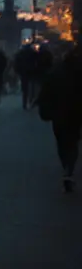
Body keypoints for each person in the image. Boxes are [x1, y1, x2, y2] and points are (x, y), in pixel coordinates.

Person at [37, 45, 82, 193]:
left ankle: (66, 166)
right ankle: (70, 168)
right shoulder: (78, 72)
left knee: (61, 142)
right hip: (75, 113)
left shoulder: (54, 73)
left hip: (59, 113)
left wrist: (44, 111)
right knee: (73, 141)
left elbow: (45, 94)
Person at [15, 43, 37, 109]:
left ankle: (24, 103)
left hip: (23, 72)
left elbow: (16, 63)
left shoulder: (20, 53)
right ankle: (30, 101)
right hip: (31, 72)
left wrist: (17, 71)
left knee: (25, 89)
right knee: (31, 88)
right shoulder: (33, 53)